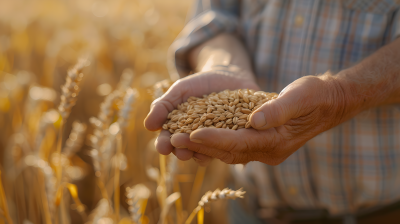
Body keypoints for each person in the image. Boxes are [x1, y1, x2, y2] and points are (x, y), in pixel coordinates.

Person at [145, 0, 400, 223]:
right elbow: (214, 18)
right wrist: (223, 65)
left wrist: (341, 94)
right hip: (248, 209)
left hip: (380, 216)